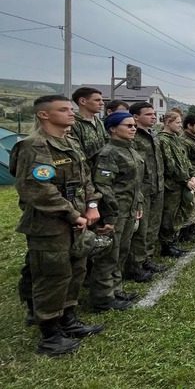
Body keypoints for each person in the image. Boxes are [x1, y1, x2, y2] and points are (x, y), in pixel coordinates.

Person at [10, 95, 104, 356]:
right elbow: (38, 189)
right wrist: (73, 214)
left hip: (78, 219)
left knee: (76, 268)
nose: (71, 113)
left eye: (71, 109)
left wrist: (92, 205)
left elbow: (85, 178)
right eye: (63, 110)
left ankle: (68, 319)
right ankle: (50, 334)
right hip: (49, 224)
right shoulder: (34, 146)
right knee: (53, 275)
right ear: (44, 115)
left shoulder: (70, 141)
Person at [89, 112, 143, 312]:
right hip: (115, 211)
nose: (133, 128)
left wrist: (138, 205)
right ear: (112, 129)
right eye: (127, 125)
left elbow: (135, 184)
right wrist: (110, 215)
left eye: (133, 125)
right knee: (108, 255)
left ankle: (116, 289)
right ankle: (103, 298)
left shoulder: (129, 149)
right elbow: (104, 186)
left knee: (121, 251)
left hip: (129, 208)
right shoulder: (109, 153)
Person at [128, 102, 164, 280]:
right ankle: (136, 264)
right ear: (136, 117)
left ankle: (147, 259)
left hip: (156, 185)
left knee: (152, 226)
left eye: (154, 114)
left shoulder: (153, 134)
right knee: (140, 229)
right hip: (142, 188)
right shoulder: (133, 136)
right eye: (149, 114)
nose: (154, 117)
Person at [157, 112, 195, 258]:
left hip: (183, 183)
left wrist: (192, 176)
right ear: (168, 122)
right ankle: (166, 246)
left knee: (180, 213)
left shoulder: (176, 139)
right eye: (178, 123)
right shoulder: (163, 140)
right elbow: (170, 165)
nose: (180, 125)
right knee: (169, 216)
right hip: (172, 185)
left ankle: (172, 241)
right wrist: (184, 180)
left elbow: (185, 160)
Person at [70, 86, 108, 163]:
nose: (102, 103)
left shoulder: (99, 122)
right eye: (97, 100)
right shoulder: (72, 123)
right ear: (83, 101)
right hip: (84, 170)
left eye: (102, 100)